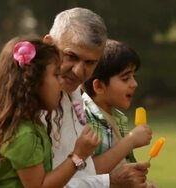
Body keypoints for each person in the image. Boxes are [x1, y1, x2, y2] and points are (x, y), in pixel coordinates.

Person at [0, 37, 100, 188]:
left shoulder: (14, 125)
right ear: (33, 81)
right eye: (56, 75)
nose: (61, 82)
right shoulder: (24, 134)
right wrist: (78, 155)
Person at [43, 7, 150, 188]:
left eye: (90, 62)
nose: (78, 71)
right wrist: (111, 181)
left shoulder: (74, 94)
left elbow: (81, 171)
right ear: (49, 45)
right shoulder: (30, 101)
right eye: (71, 56)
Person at [82, 39, 157, 187]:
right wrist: (130, 141)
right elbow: (86, 171)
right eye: (125, 78)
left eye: (133, 76)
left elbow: (121, 168)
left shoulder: (118, 118)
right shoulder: (84, 118)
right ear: (98, 86)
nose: (134, 84)